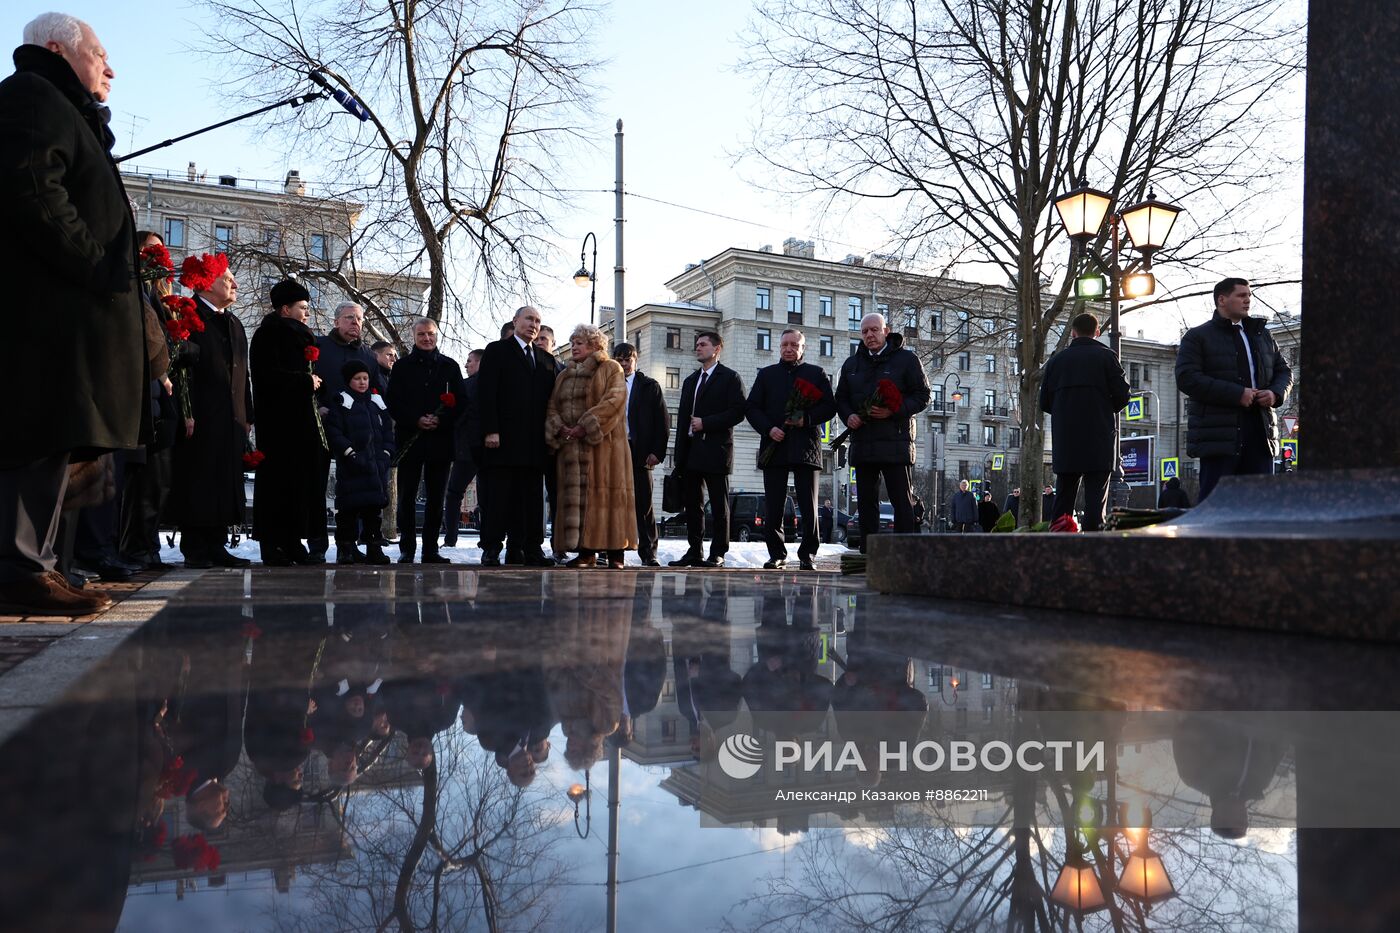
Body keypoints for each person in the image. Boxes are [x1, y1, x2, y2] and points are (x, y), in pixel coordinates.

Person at [0, 14, 146, 615]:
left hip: (68, 314)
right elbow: (32, 186)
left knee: (62, 444)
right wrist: (98, 264)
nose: (110, 68)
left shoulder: (62, 105)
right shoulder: (34, 95)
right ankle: (19, 572)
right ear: (58, 49)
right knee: (37, 437)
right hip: (46, 313)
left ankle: (50, 569)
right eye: (100, 54)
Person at [166, 254, 253, 569]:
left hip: (230, 417)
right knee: (200, 478)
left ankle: (217, 544)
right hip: (200, 415)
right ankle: (196, 547)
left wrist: (247, 415)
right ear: (206, 283)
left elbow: (242, 372)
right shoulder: (188, 315)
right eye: (228, 279)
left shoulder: (234, 323)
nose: (235, 284)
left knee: (224, 479)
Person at [1176, 277, 1292, 502]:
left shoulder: (1263, 335)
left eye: (1249, 295)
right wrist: (1237, 394)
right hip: (1219, 437)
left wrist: (1275, 393)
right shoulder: (1197, 337)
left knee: (1260, 507)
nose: (1248, 300)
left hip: (1261, 433)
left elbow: (1285, 372)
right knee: (1216, 507)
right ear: (1222, 299)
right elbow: (1187, 378)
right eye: (1241, 295)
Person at [835, 312, 930, 551]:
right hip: (863, 443)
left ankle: (903, 554)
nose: (869, 335)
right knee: (866, 504)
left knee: (902, 502)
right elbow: (841, 399)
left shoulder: (907, 360)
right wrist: (849, 416)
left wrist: (894, 411)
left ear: (886, 331)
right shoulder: (851, 364)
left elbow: (923, 395)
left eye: (874, 330)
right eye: (865, 331)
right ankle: (869, 554)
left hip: (896, 443)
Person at [249, 279, 328, 565]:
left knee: (299, 482)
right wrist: (305, 381)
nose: (307, 312)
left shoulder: (302, 336)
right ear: (285, 309)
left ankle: (293, 539)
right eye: (302, 307)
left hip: (302, 422)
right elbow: (266, 375)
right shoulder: (268, 334)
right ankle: (272, 543)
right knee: (278, 482)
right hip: (279, 423)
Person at [745, 329, 836, 570]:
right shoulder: (766, 375)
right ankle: (777, 553)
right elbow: (752, 408)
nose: (789, 348)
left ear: (802, 348)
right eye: (785, 344)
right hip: (774, 446)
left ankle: (808, 555)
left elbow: (829, 407)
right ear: (779, 346)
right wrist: (769, 429)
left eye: (794, 344)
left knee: (808, 505)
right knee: (774, 504)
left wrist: (806, 418)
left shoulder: (816, 373)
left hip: (806, 447)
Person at [545, 325, 636, 568]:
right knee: (581, 501)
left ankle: (617, 553)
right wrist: (559, 426)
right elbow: (552, 406)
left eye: (579, 343)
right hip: (572, 449)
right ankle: (586, 552)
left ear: (595, 345)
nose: (573, 346)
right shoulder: (564, 375)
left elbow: (615, 400)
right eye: (572, 342)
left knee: (609, 498)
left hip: (605, 448)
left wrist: (586, 425)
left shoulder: (611, 368)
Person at [476, 306, 558, 566]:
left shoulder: (545, 360)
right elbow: (487, 392)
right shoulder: (497, 351)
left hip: (535, 444)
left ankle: (528, 549)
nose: (533, 324)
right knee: (500, 497)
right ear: (515, 321)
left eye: (537, 321)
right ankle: (491, 548)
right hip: (503, 440)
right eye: (529, 319)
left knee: (531, 500)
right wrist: (490, 429)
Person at [1039, 312, 1131, 532]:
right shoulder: (1107, 357)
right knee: (1095, 501)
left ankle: (1057, 548)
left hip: (1066, 439)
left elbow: (1044, 402)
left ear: (1073, 332)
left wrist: (1064, 413)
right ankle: (1092, 548)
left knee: (1063, 498)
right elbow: (1123, 395)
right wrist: (1104, 410)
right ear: (1097, 332)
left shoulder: (1056, 361)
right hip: (1098, 438)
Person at [308, 302, 383, 559]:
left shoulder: (368, 357)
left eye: (360, 319)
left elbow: (377, 393)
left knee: (354, 492)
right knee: (316, 487)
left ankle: (348, 545)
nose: (355, 323)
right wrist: (317, 407)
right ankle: (317, 545)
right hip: (322, 428)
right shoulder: (318, 347)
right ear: (337, 321)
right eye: (350, 318)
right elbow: (306, 380)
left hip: (357, 437)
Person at [669, 331, 746, 568]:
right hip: (691, 451)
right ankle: (694, 550)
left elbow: (738, 412)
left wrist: (706, 423)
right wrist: (678, 455)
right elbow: (683, 420)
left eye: (703, 344)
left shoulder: (730, 377)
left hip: (716, 450)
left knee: (718, 503)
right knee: (693, 504)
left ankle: (718, 552)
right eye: (697, 345)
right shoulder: (690, 380)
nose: (697, 348)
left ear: (717, 348)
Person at [387, 318, 461, 563]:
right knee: (407, 496)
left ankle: (431, 549)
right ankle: (407, 548)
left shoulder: (450, 366)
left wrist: (442, 419)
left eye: (430, 334)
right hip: (411, 439)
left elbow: (461, 402)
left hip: (441, 441)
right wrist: (416, 419)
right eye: (421, 335)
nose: (426, 339)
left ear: (436, 335)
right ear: (414, 336)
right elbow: (394, 402)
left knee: (436, 496)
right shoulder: (401, 367)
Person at [324, 360, 394, 564]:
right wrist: (349, 452)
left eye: (365, 378)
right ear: (349, 381)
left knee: (374, 512)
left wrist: (387, 453)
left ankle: (374, 548)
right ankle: (346, 548)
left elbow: (387, 430)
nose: (362, 382)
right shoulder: (342, 402)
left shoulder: (376, 402)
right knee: (348, 511)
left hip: (377, 467)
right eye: (357, 378)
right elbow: (335, 431)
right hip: (352, 466)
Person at [613, 343, 669, 567]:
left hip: (641, 451)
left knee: (644, 504)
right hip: (614, 449)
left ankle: (649, 552)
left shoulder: (649, 386)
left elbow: (662, 421)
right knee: (614, 502)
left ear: (636, 360)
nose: (624, 364)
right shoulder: (607, 384)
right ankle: (613, 551)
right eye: (619, 359)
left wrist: (658, 451)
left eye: (628, 359)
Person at [443, 348, 482, 548]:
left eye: (470, 361)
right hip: (487, 447)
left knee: (454, 493)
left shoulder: (466, 386)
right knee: (487, 495)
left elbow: (458, 414)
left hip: (466, 448)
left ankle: (450, 537)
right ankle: (488, 539)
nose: (466, 365)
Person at [369, 339, 399, 540]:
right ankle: (368, 532)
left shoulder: (390, 377)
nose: (393, 359)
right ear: (375, 355)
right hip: (373, 437)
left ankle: (374, 531)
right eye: (389, 354)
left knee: (380, 485)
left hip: (386, 437)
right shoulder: (373, 377)